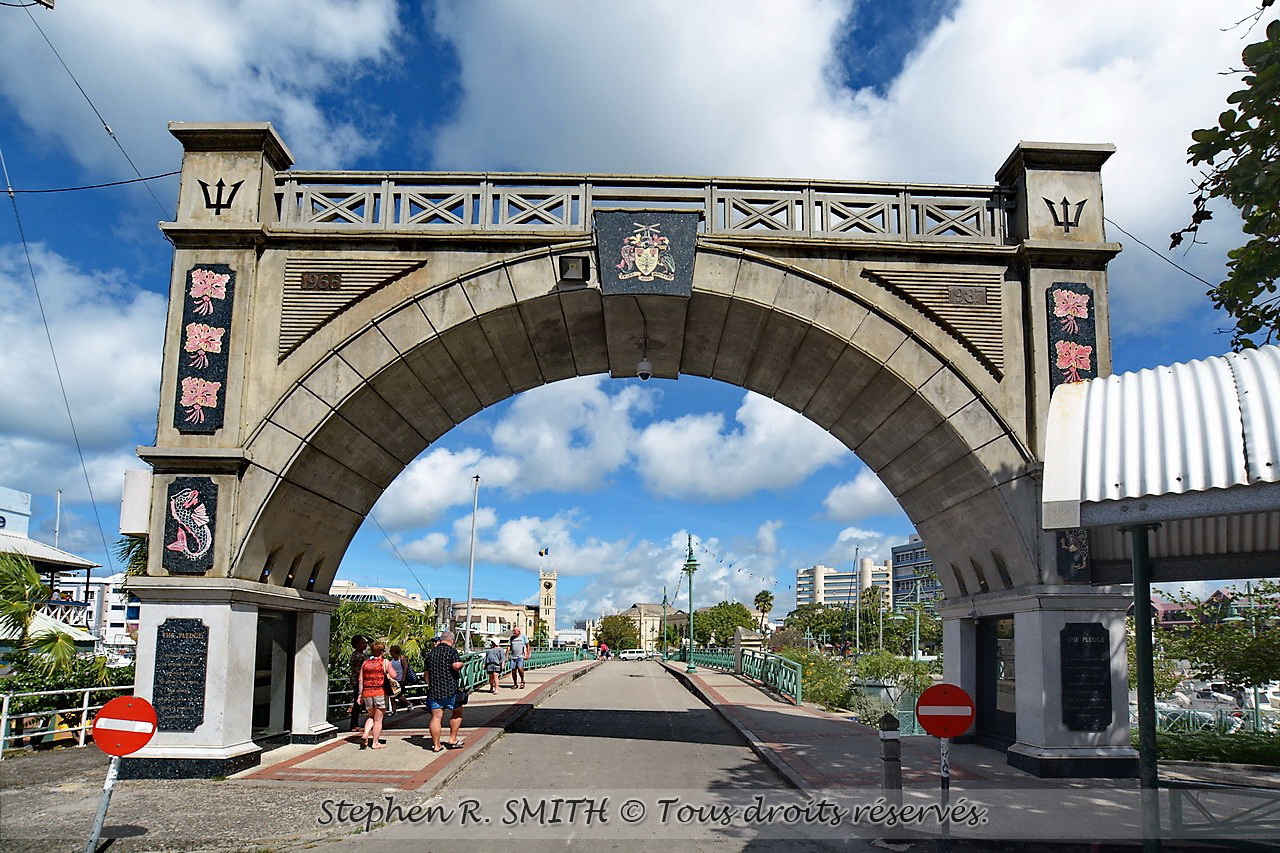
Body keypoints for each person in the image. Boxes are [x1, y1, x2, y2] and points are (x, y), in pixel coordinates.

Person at [423, 630, 466, 752]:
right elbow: (456, 666)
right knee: (457, 712)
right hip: (450, 689)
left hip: (434, 691)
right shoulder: (451, 651)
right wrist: (461, 664)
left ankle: (436, 745)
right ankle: (452, 739)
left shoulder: (431, 653)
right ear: (452, 641)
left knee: (436, 717)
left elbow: (426, 674)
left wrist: (430, 685)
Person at [356, 641, 395, 749]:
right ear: (382, 651)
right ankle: (375, 743)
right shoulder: (385, 662)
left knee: (370, 716)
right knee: (378, 720)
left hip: (367, 693)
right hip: (380, 692)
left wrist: (360, 694)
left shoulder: (365, 663)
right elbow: (394, 675)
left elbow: (360, 679)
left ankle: (365, 734)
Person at [347, 635, 369, 732]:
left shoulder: (358, 655)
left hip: (358, 681)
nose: (365, 645)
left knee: (359, 703)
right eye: (362, 643)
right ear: (357, 644)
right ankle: (354, 724)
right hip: (359, 682)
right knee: (358, 703)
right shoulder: (359, 656)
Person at [387, 644, 410, 713]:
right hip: (393, 679)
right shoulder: (391, 660)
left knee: (398, 695)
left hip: (400, 678)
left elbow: (405, 667)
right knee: (392, 696)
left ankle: (408, 703)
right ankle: (393, 710)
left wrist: (403, 677)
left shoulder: (401, 658)